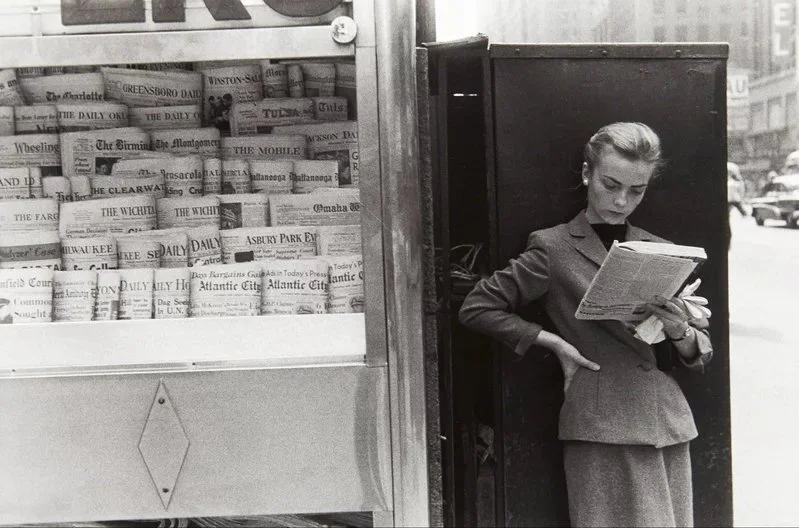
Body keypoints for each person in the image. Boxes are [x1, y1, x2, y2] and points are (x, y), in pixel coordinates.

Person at [459, 122, 713, 527]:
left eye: (637, 190)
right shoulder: (553, 247)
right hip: (601, 423)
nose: (621, 201)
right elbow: (477, 307)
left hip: (667, 422)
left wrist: (680, 329)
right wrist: (553, 343)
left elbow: (698, 353)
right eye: (610, 184)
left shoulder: (661, 250)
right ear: (586, 174)